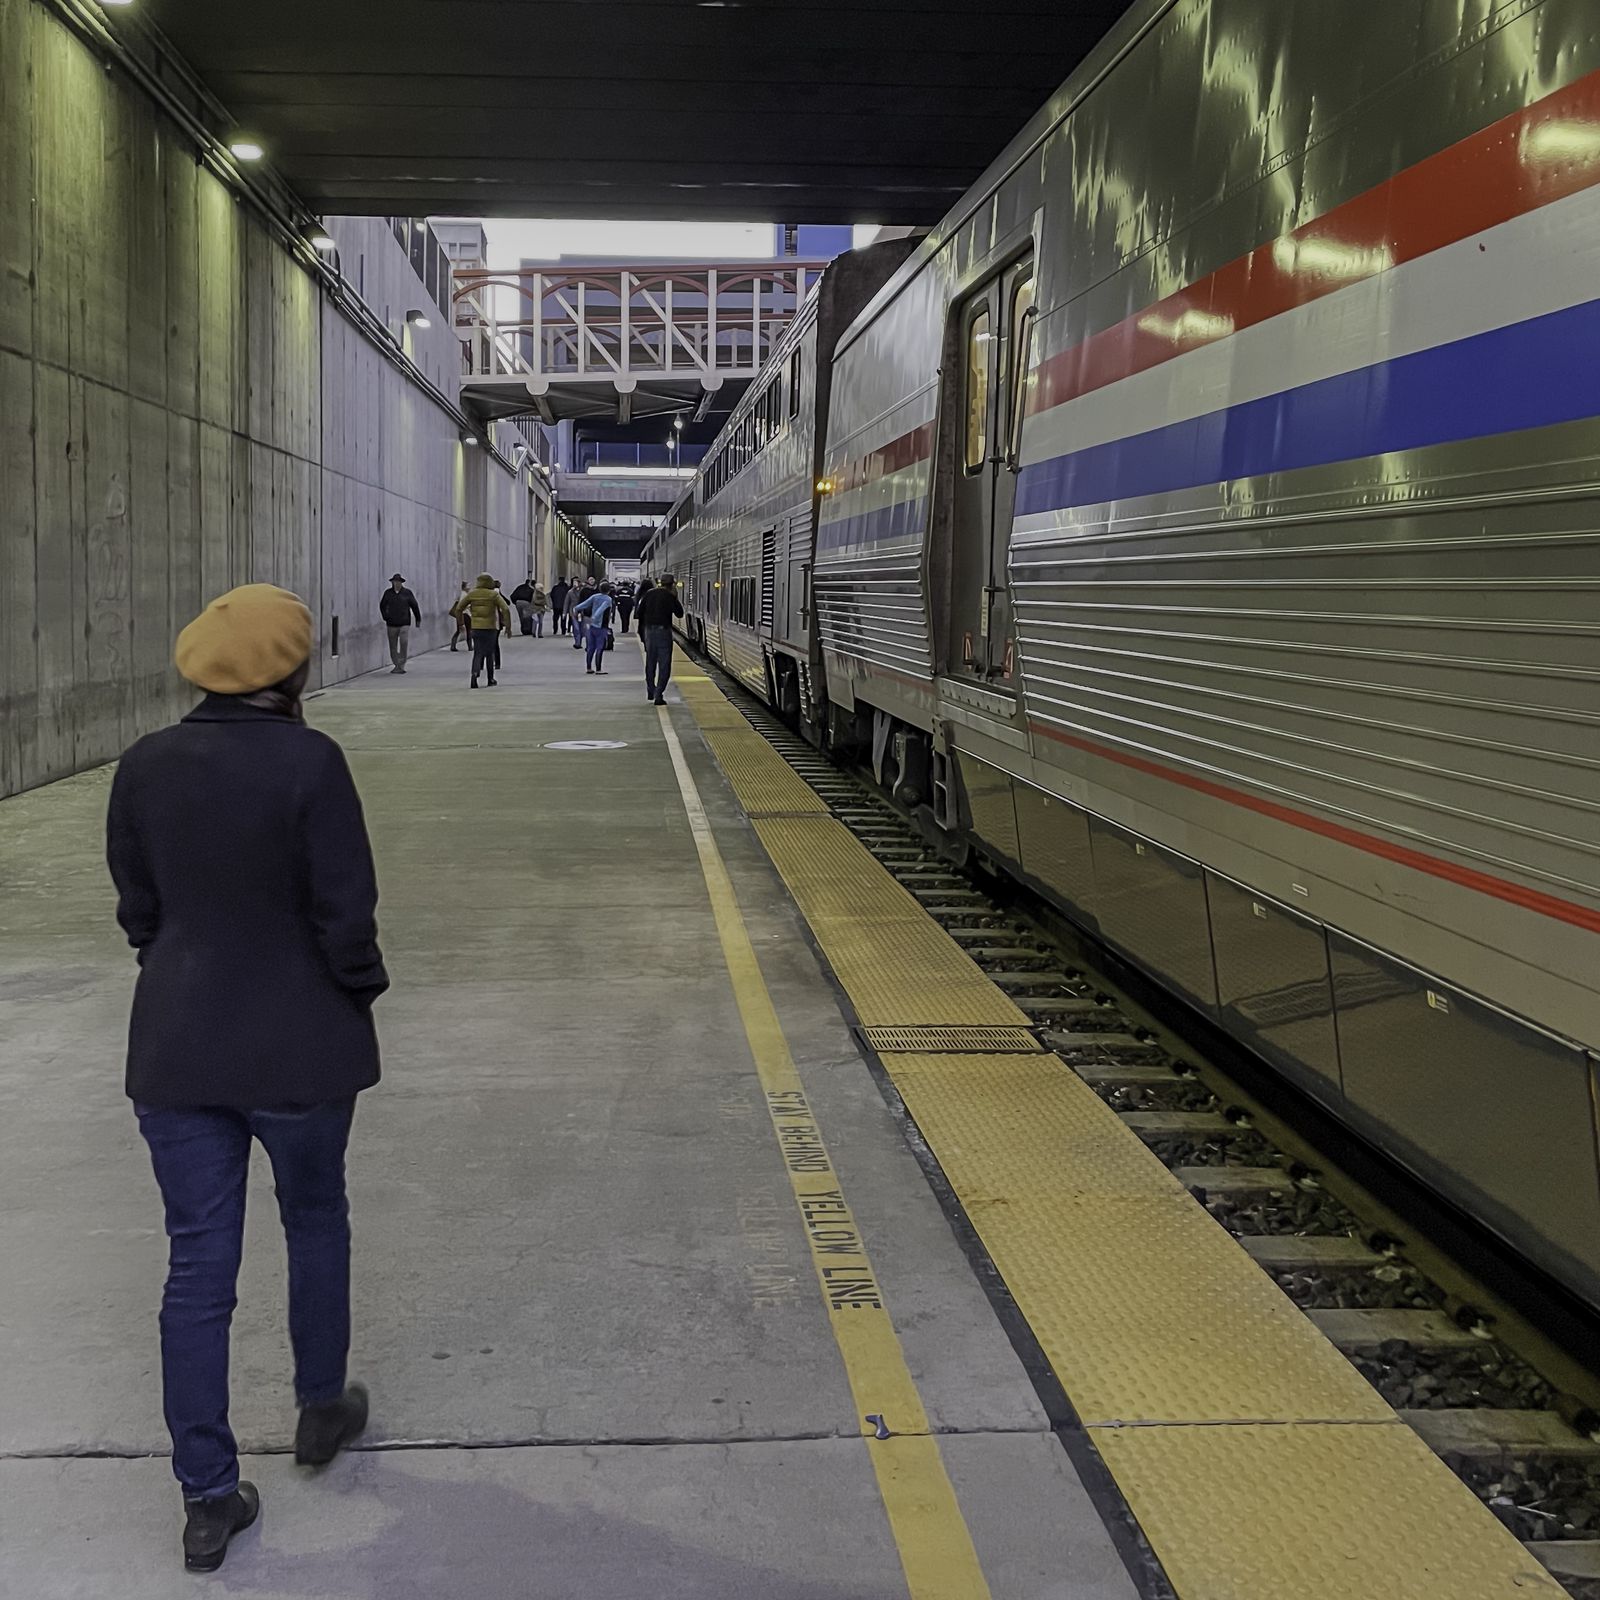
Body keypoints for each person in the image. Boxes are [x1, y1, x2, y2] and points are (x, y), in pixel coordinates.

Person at [106, 584, 384, 1574]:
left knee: (196, 1267)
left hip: (178, 1049)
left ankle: (207, 1498)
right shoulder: (312, 763)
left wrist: (183, 968)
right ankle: (320, 1410)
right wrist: (358, 988)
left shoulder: (143, 765)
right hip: (302, 1045)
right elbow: (345, 913)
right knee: (313, 1221)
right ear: (294, 670)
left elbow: (139, 909)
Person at [450, 573, 512, 687]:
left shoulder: (472, 594)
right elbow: (505, 608)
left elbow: (459, 608)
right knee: (489, 653)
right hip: (490, 628)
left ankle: (474, 674)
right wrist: (508, 627)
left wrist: (461, 623)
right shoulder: (493, 595)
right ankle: (490, 679)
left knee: (477, 653)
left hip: (476, 627)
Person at [636, 574, 684, 705]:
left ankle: (650, 690)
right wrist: (675, 597)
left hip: (649, 631)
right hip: (664, 632)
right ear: (672, 584)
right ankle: (659, 694)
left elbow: (639, 613)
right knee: (664, 664)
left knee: (650, 662)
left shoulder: (649, 594)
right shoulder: (670, 596)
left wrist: (641, 633)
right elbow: (680, 613)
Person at [379, 575, 421, 673]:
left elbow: (415, 606)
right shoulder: (388, 593)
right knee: (392, 645)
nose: (396, 584)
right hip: (391, 623)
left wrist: (418, 619)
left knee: (404, 642)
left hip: (404, 623)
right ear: (392, 583)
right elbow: (382, 606)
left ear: (401, 583)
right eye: (395, 582)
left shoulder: (407, 593)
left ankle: (402, 664)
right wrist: (386, 617)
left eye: (398, 582)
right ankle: (396, 664)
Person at [574, 584, 617, 674]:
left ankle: (589, 668)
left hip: (592, 625)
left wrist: (577, 608)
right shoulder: (608, 599)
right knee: (600, 647)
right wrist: (595, 616)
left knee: (590, 647)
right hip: (602, 626)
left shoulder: (595, 596)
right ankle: (598, 669)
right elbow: (602, 608)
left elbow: (585, 604)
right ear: (608, 591)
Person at [449, 581, 471, 652]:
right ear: (465, 587)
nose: (469, 588)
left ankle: (453, 645)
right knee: (468, 630)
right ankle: (470, 646)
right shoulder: (464, 595)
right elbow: (461, 606)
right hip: (464, 614)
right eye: (468, 586)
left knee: (459, 630)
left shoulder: (463, 594)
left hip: (462, 614)